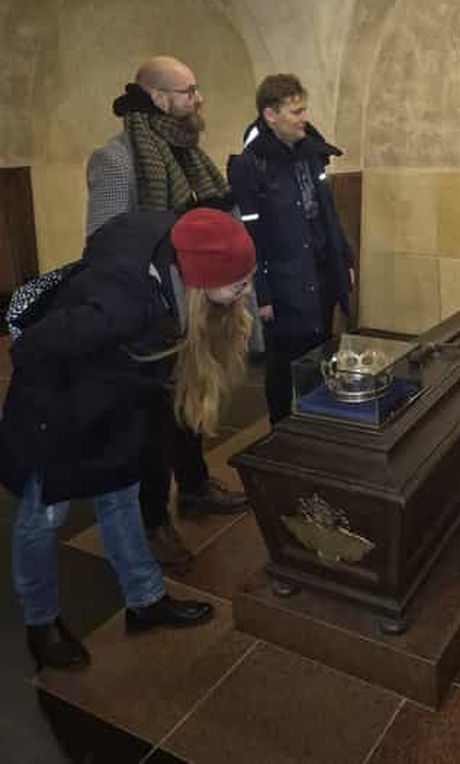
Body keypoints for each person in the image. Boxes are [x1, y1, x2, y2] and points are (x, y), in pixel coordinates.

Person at [0, 208, 255, 671]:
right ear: (202, 281)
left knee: (120, 499)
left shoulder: (175, 268)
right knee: (42, 519)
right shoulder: (121, 306)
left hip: (112, 400)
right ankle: (41, 624)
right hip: (55, 410)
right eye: (238, 283)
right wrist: (54, 423)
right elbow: (32, 348)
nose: (247, 291)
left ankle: (146, 601)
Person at [86, 56, 247, 568]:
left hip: (196, 304)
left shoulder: (185, 152)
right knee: (152, 426)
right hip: (151, 312)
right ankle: (153, 521)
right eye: (188, 92)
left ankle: (196, 486)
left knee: (189, 406)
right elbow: (105, 242)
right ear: (158, 98)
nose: (198, 100)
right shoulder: (116, 159)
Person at [227, 73, 354, 424]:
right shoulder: (252, 165)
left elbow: (328, 213)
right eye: (295, 111)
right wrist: (262, 294)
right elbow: (252, 235)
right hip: (285, 280)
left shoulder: (311, 152)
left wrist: (345, 259)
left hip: (321, 271)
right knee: (284, 364)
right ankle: (280, 432)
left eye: (303, 109)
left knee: (321, 353)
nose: (303, 118)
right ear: (271, 115)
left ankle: (315, 424)